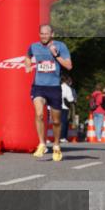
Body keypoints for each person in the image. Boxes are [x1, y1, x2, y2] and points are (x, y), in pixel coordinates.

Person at [25, 24, 72, 161]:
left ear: (52, 34)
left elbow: (69, 66)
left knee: (56, 121)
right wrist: (28, 65)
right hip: (38, 86)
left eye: (46, 34)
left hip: (54, 87)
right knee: (39, 114)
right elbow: (27, 56)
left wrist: (56, 54)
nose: (44, 36)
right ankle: (42, 143)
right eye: (41, 33)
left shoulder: (60, 46)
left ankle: (56, 145)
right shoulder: (34, 46)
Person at [61, 75, 75, 141]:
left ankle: (57, 137)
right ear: (67, 81)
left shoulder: (58, 87)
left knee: (57, 122)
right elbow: (70, 99)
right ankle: (63, 137)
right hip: (65, 107)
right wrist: (73, 101)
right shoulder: (67, 88)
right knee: (64, 122)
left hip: (57, 106)